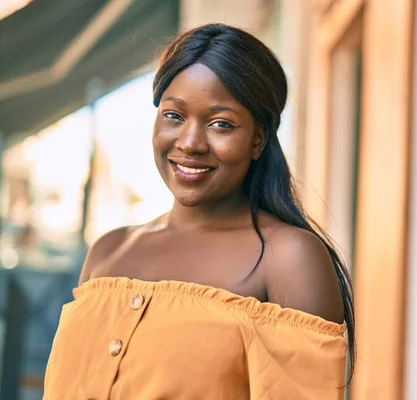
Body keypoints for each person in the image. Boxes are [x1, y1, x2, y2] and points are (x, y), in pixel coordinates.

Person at [43, 23, 355, 399]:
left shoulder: (288, 258)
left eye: (221, 124)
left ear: (257, 139)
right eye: (173, 116)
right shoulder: (109, 252)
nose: (190, 143)